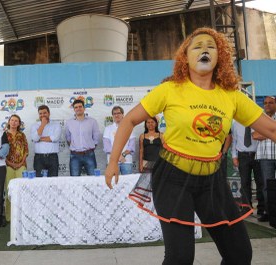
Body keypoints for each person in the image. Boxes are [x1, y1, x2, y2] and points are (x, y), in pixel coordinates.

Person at [105, 27, 276, 264]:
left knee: (239, 254)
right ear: (185, 57)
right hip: (172, 178)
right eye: (197, 46)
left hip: (212, 181)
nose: (204, 49)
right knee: (180, 258)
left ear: (220, 56)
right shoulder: (170, 89)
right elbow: (130, 120)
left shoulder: (232, 95)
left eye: (211, 46)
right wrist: (113, 161)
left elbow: (272, 129)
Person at [231, 120, 264, 217]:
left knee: (260, 182)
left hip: (258, 154)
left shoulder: (257, 121)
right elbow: (234, 140)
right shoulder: (235, 123)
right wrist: (234, 156)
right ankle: (246, 208)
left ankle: (261, 209)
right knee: (245, 182)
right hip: (243, 155)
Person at [253, 95, 276, 222]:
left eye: (271, 103)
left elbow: (260, 134)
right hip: (265, 157)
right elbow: (255, 135)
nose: (267, 105)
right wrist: (271, 132)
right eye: (265, 103)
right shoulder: (260, 118)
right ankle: (269, 212)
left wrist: (265, 133)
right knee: (266, 186)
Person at [65, 99, 100, 176]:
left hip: (89, 154)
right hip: (75, 155)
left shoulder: (92, 121)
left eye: (80, 106)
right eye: (76, 107)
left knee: (93, 179)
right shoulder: (69, 123)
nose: (78, 108)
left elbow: (96, 136)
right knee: (74, 180)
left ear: (84, 108)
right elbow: (68, 138)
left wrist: (91, 147)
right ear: (74, 109)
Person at [4, 114, 28, 222]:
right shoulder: (4, 135)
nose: (14, 122)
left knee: (21, 191)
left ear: (19, 123)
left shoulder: (22, 135)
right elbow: (1, 152)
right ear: (9, 122)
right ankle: (9, 217)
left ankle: (21, 216)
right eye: (12, 120)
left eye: (16, 121)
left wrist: (20, 163)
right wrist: (10, 163)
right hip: (8, 165)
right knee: (9, 191)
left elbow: (26, 151)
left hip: (21, 166)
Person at [103, 106, 135, 175]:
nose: (116, 115)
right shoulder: (108, 129)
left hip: (126, 161)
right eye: (114, 114)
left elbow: (131, 145)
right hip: (113, 162)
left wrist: (122, 155)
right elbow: (107, 147)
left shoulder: (129, 127)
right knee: (113, 183)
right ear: (112, 116)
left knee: (128, 183)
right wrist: (118, 156)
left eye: (118, 113)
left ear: (123, 114)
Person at [30, 105, 61, 177]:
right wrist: (42, 125)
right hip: (39, 158)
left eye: (44, 113)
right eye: (40, 113)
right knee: (39, 181)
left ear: (49, 113)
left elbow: (55, 138)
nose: (42, 115)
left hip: (52, 157)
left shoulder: (56, 125)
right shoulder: (34, 126)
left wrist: (40, 139)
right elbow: (35, 138)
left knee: (53, 181)